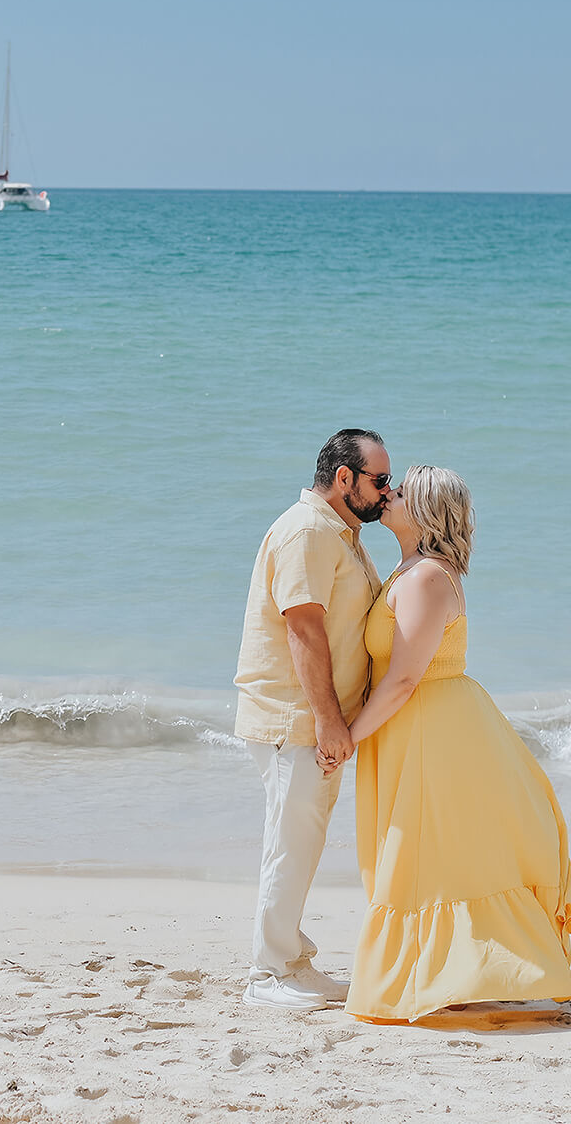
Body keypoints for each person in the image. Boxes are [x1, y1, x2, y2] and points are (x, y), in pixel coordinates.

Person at [345, 465, 571, 1023]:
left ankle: (456, 977)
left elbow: (404, 678)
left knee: (430, 856)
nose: (389, 494)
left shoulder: (427, 577)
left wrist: (348, 738)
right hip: (413, 728)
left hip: (434, 730)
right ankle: (452, 975)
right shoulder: (409, 569)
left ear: (426, 512)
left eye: (400, 492)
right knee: (433, 856)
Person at [233, 428, 392, 1010]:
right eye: (379, 480)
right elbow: (303, 627)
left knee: (301, 839)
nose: (386, 491)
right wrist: (328, 720)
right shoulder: (307, 530)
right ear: (344, 478)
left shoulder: (339, 533)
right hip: (293, 717)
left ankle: (291, 961)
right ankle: (269, 973)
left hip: (313, 718)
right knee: (290, 841)